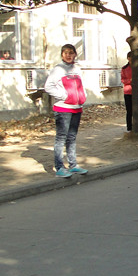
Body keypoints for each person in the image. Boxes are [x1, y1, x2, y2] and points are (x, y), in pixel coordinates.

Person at [44, 44, 88, 178]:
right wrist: (64, 96)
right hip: (63, 108)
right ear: (62, 55)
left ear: (75, 54)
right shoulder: (58, 69)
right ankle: (59, 168)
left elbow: (81, 85)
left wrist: (83, 96)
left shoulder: (77, 68)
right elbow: (48, 87)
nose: (68, 55)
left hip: (76, 108)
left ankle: (73, 165)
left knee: (72, 137)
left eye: (71, 53)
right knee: (61, 138)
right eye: (65, 53)